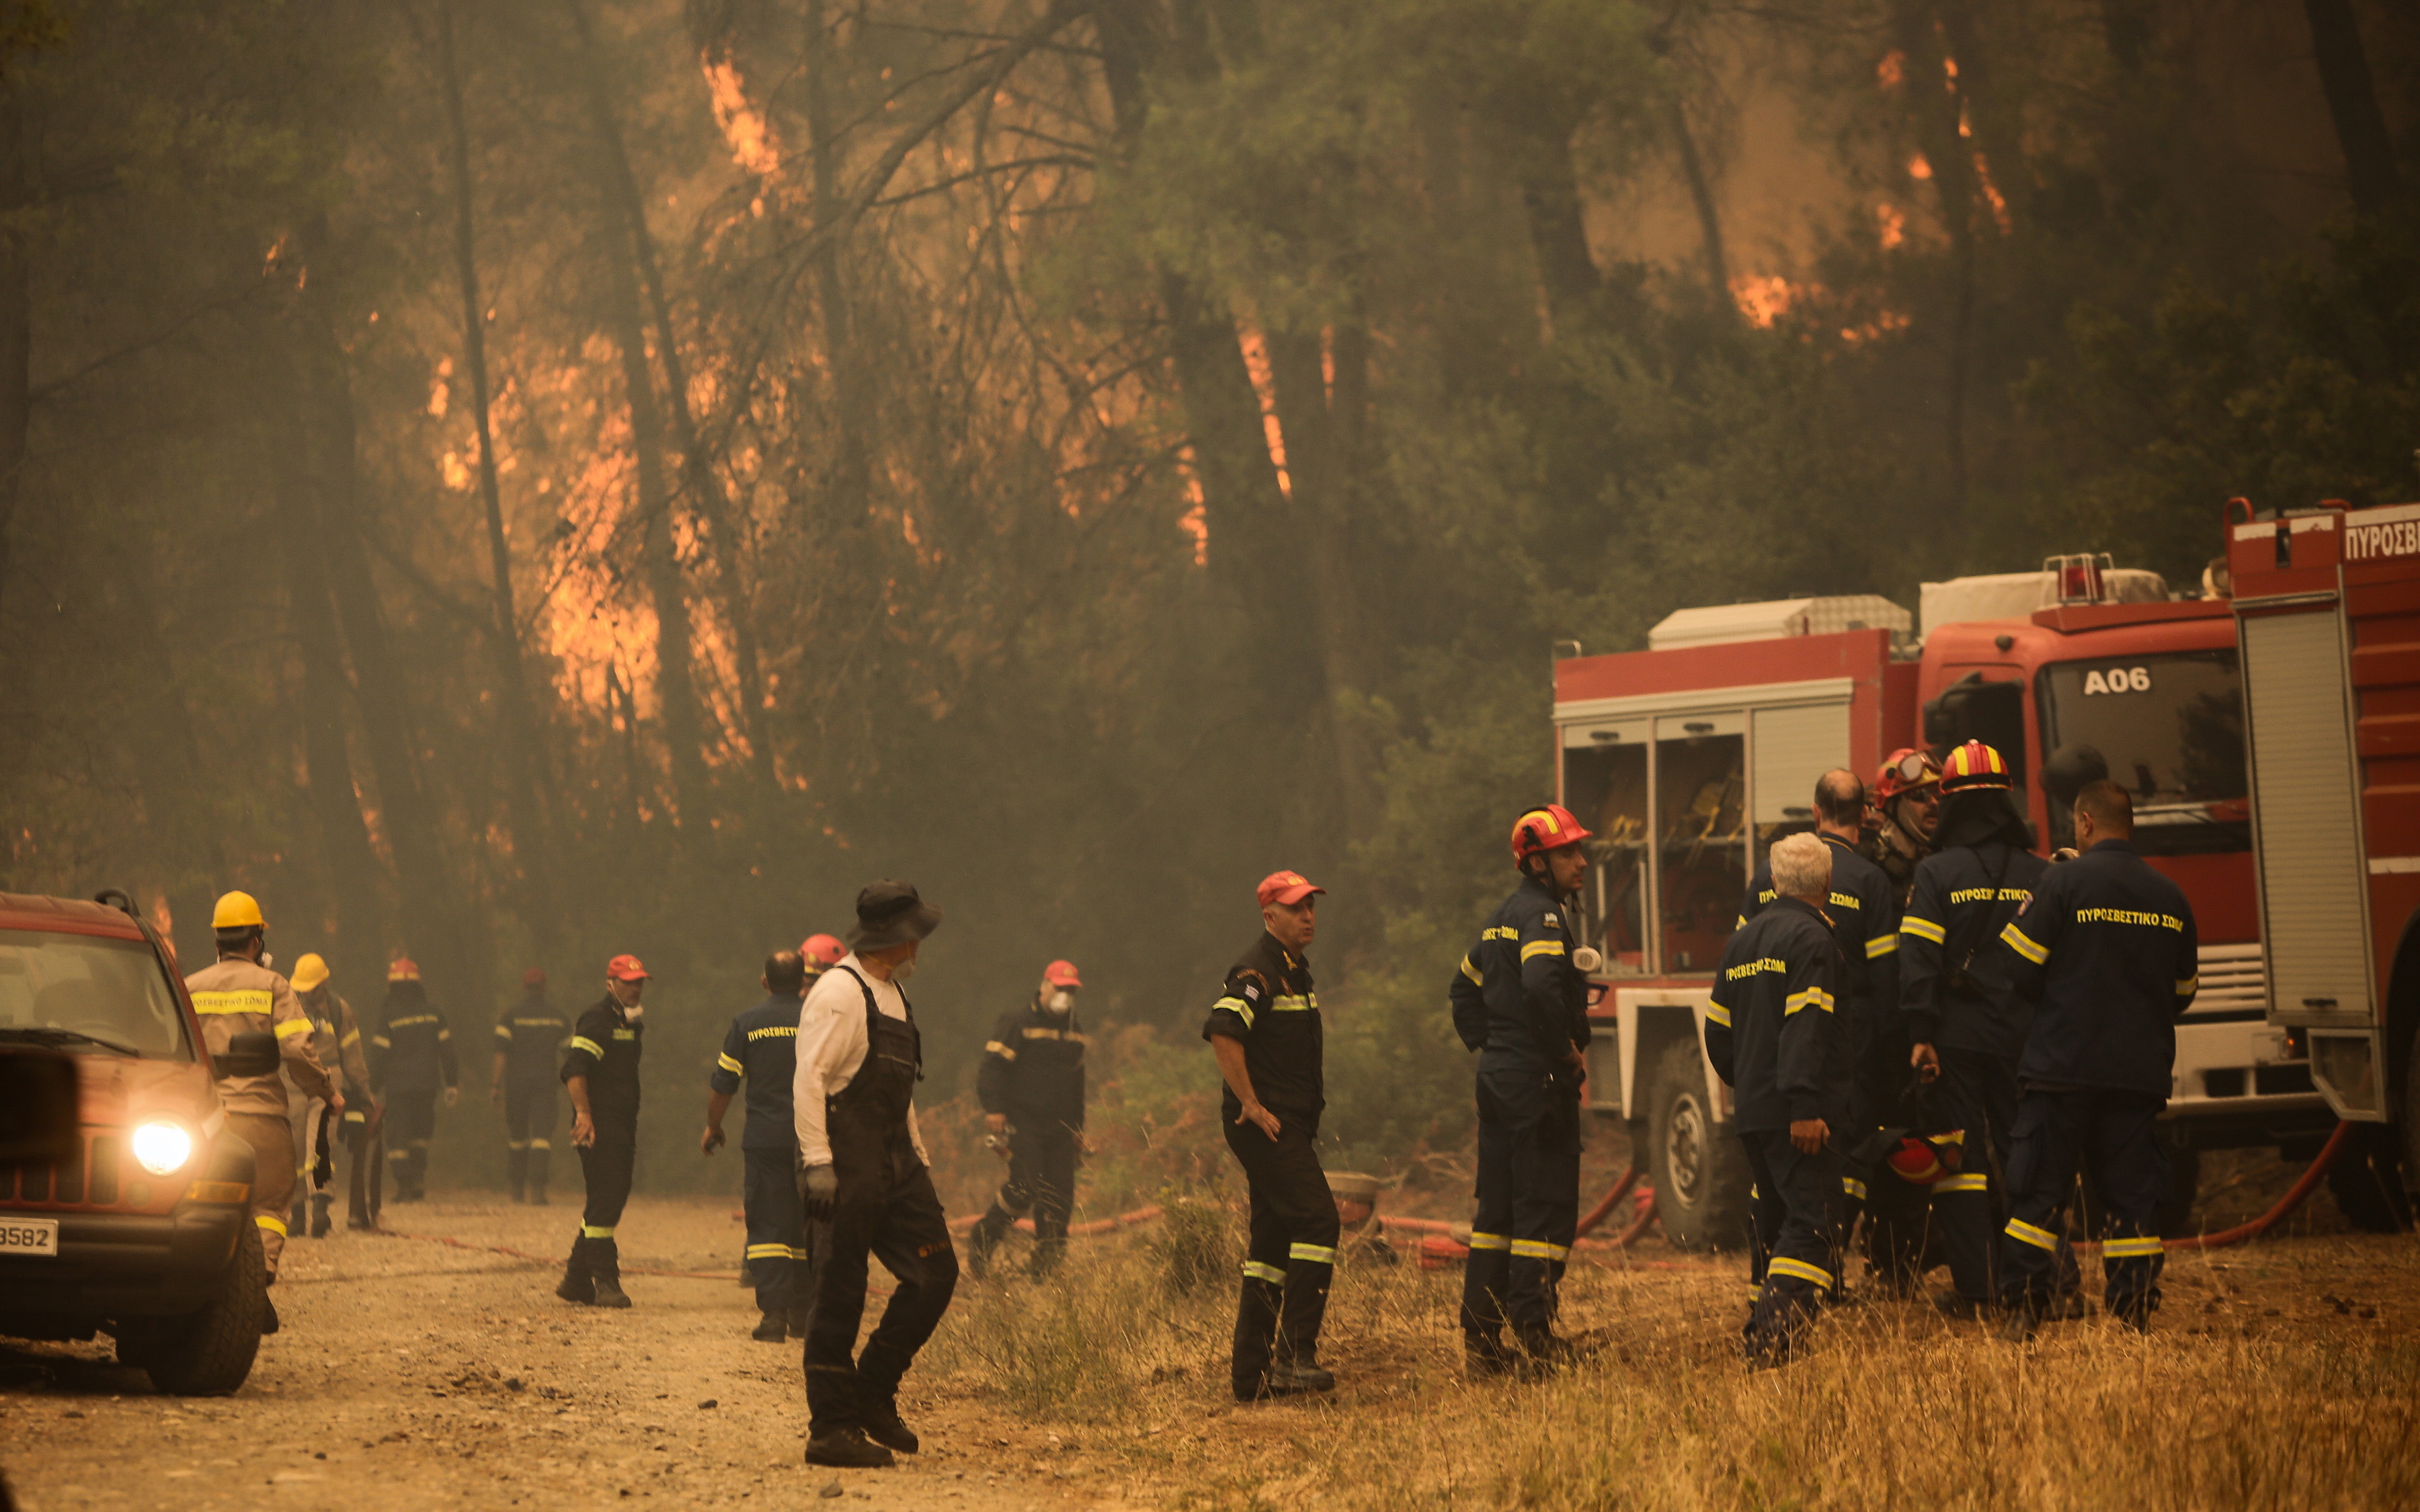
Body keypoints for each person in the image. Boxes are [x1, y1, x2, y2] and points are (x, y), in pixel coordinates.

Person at [1994, 781, 2199, 1338]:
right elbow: (2184, 991)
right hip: (2136, 1076)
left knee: (2038, 1192)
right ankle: (2133, 1312)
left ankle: (2024, 1310)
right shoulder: (2170, 896)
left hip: (2061, 1070)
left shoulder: (2060, 882)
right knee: (2132, 1199)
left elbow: (2018, 969)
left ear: (2084, 824)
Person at [794, 881, 957, 1470]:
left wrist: (916, 1150)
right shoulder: (839, 993)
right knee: (841, 1290)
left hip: (895, 1158)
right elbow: (810, 1078)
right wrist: (817, 1164)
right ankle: (831, 1429)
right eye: (918, 934)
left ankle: (873, 1390)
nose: (922, 944)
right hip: (844, 1156)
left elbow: (897, 1087)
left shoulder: (892, 994)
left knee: (936, 1272)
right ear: (899, 939)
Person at [1896, 740, 2052, 1319]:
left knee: (1957, 1163)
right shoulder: (2042, 875)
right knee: (2028, 1155)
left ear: (1952, 803)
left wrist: (1920, 1032)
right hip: (2027, 1039)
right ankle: (2045, 1281)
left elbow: (1917, 960)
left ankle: (1979, 1287)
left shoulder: (1936, 873)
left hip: (1955, 1042)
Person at [1735, 771, 1900, 1290]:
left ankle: (1767, 1277)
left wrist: (1743, 1065)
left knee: (1774, 1175)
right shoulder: (1871, 881)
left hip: (1763, 1057)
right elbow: (1886, 978)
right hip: (1842, 1049)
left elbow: (1739, 975)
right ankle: (1820, 1275)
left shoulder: (1766, 877)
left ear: (1815, 810)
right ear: (1866, 815)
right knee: (1835, 1162)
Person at [1448, 805, 1593, 1377]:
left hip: (1501, 1077)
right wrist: (1560, 1051)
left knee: (1498, 1211)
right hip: (1535, 1081)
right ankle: (1535, 1337)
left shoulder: (1498, 919)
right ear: (1537, 862)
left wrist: (1495, 1045)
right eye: (1567, 854)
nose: (1580, 862)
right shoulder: (1544, 918)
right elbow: (1537, 986)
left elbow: (1463, 988)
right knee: (1543, 1207)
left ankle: (1482, 1343)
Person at [1704, 833, 1851, 1366]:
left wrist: (1749, 1083)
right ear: (1829, 884)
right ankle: (1770, 1340)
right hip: (1799, 1115)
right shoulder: (1813, 941)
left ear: (1773, 882)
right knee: (1814, 1224)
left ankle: (1772, 1335)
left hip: (1757, 1112)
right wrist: (1805, 1105)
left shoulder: (1742, 942)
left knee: (1775, 1220)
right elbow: (1806, 1028)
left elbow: (1717, 1030)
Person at [1204, 870, 1340, 1402]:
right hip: (1266, 1126)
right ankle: (1294, 1357)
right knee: (1319, 1220)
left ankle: (1252, 1375)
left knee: (1271, 1243)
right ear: (1270, 917)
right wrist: (1251, 1103)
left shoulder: (1294, 972)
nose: (1307, 916)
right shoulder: (1258, 972)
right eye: (1295, 908)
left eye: (1311, 906)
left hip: (1289, 1124)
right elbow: (1222, 1029)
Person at [184, 891, 340, 1335]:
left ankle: (198, 1288)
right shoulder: (273, 986)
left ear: (217, 942)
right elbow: (299, 1052)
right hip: (261, 1117)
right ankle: (256, 1285)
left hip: (203, 1123)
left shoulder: (189, 986)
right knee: (270, 1206)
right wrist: (327, 1093)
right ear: (257, 941)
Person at [706, 950, 813, 1342]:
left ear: (764, 981)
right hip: (814, 1141)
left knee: (768, 1227)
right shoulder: (819, 1020)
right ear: (803, 981)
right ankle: (804, 1314)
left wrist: (713, 1126)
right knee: (808, 1224)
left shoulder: (747, 1023)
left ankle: (773, 1317)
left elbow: (724, 1084)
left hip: (765, 1140)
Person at [968, 959, 1090, 1279]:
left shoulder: (1074, 1031)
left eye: (1071, 991)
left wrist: (1078, 1128)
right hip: (1024, 1121)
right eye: (1061, 988)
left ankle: (1045, 1268)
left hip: (1062, 1127)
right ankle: (983, 1239)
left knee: (1060, 1196)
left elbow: (1077, 1084)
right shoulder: (1018, 1021)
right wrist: (994, 1109)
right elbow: (992, 1067)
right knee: (1024, 1186)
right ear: (1045, 986)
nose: (1065, 995)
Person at [558, 954, 649, 1310]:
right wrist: (583, 1114)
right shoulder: (597, 1019)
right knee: (607, 1199)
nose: (636, 988)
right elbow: (575, 1069)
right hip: (598, 1126)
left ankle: (576, 1280)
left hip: (622, 1123)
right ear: (610, 984)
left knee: (608, 1197)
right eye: (628, 982)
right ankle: (605, 1281)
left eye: (640, 982)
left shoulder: (629, 1022)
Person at [286, 954, 373, 1239]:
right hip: (292, 1079)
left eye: (312, 987)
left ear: (323, 983)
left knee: (321, 1143)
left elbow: (352, 1053)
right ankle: (297, 1215)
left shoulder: (338, 1009)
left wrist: (363, 1091)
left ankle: (320, 1209)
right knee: (294, 1148)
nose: (307, 992)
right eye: (303, 987)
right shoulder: (286, 1005)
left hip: (328, 1078)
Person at [370, 958, 458, 1203]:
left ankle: (404, 1186)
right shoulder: (434, 1014)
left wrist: (373, 1086)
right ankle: (418, 1178)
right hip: (427, 1084)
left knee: (398, 1135)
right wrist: (452, 1083)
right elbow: (448, 1051)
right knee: (420, 1133)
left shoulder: (388, 1016)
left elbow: (379, 1055)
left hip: (398, 1087)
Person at [493, 966, 567, 1204]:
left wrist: (495, 1085)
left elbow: (500, 1053)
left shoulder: (510, 1016)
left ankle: (516, 1188)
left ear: (524, 987)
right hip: (546, 1083)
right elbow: (573, 1054)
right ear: (545, 987)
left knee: (517, 1136)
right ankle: (538, 1190)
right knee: (542, 1136)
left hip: (516, 1084)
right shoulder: (558, 1017)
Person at [1866, 747, 1942, 906]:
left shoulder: (1948, 860)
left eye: (1937, 794)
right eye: (1920, 794)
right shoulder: (1869, 866)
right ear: (1893, 805)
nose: (1934, 803)